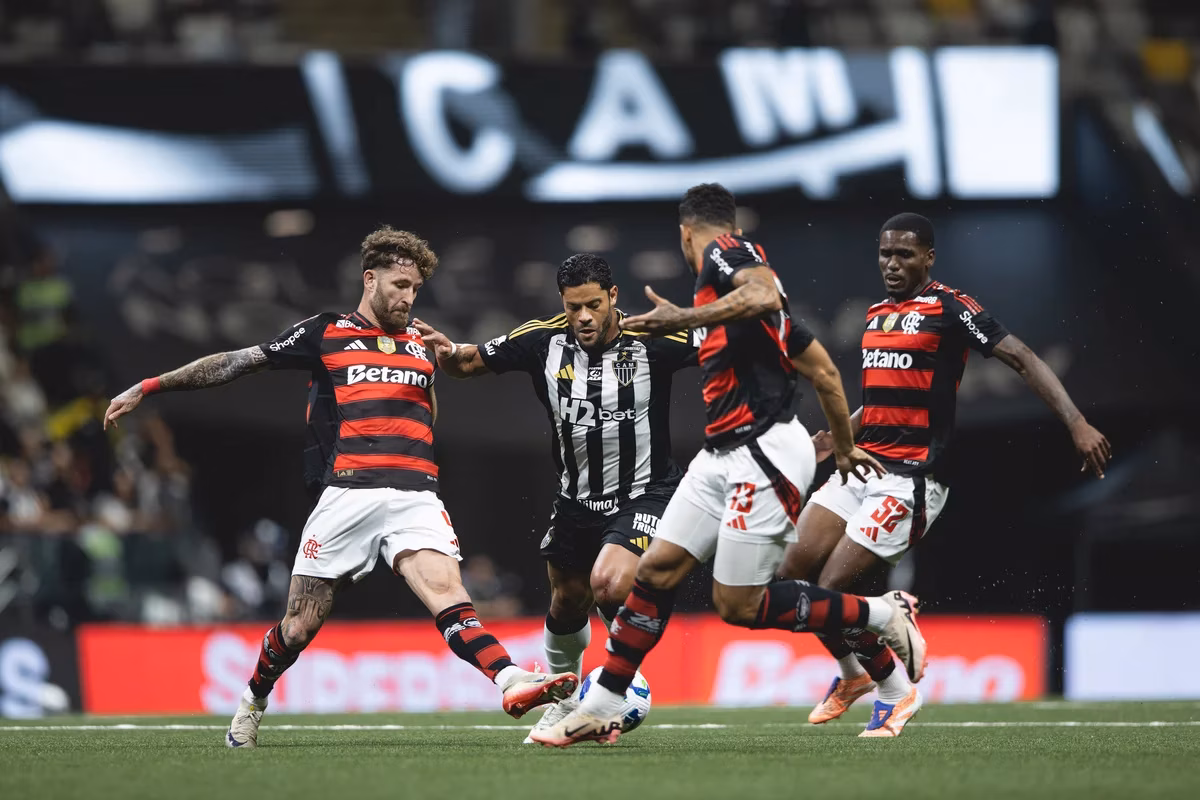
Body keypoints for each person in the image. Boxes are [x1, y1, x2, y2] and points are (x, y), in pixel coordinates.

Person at [102, 226, 576, 749]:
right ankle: (252, 702)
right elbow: (238, 362)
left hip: (415, 494)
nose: (408, 297)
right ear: (370, 279)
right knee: (299, 627)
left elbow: (427, 416)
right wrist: (150, 385)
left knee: (450, 596)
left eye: (415, 289)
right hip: (349, 495)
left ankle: (511, 681)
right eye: (399, 285)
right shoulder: (326, 333)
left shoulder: (422, 343)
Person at [530, 184, 927, 747]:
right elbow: (824, 370)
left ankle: (881, 614)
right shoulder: (751, 308)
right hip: (722, 453)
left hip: (760, 451)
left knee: (739, 605)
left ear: (686, 234)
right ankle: (602, 703)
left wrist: (686, 315)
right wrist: (840, 443)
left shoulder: (728, 258)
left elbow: (761, 293)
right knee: (656, 570)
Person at [779, 212, 1112, 737]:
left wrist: (1076, 422)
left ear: (928, 257)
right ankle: (851, 675)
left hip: (911, 479)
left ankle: (894, 685)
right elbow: (881, 398)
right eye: (885, 253)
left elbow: (1022, 357)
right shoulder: (875, 314)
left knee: (833, 585)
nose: (892, 264)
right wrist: (837, 438)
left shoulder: (951, 307)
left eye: (904, 254)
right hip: (861, 467)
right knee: (789, 573)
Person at [414, 253, 699, 741]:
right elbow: (471, 361)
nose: (583, 317)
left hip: (645, 492)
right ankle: (563, 700)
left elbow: (731, 349)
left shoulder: (655, 338)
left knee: (608, 582)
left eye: (592, 305)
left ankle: (617, 685)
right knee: (568, 601)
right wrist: (449, 353)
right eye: (573, 308)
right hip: (575, 499)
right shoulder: (542, 340)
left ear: (613, 297)